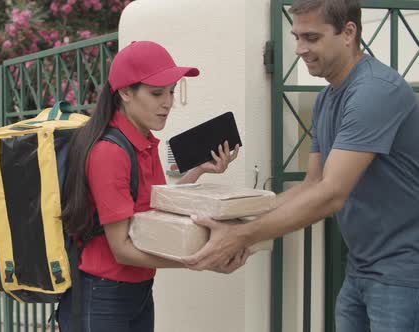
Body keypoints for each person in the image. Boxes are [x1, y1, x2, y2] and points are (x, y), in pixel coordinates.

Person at [183, 0, 419, 330]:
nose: (298, 49)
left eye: (311, 37)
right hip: (362, 268)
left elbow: (331, 194)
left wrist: (242, 236)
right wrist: (245, 224)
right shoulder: (327, 98)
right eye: (296, 36)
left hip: (402, 274)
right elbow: (313, 184)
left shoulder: (374, 92)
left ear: (348, 32)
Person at [57, 40, 242, 332]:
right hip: (103, 295)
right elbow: (122, 249)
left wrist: (199, 170)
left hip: (139, 291)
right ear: (126, 93)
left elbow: (155, 207)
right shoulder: (110, 152)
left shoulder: (143, 142)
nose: (167, 102)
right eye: (157, 93)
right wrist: (201, 260)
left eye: (171, 92)